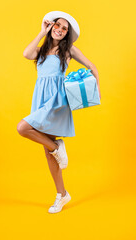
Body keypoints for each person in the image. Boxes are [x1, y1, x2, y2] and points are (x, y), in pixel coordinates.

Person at [17, 11, 101, 214]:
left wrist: (95, 88)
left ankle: (56, 146)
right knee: (49, 155)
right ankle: (62, 195)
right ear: (51, 26)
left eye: (64, 29)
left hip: (57, 101)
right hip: (41, 99)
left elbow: (91, 65)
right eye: (58, 26)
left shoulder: (69, 50)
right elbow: (26, 54)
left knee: (23, 128)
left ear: (67, 34)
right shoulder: (41, 50)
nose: (60, 30)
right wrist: (41, 32)